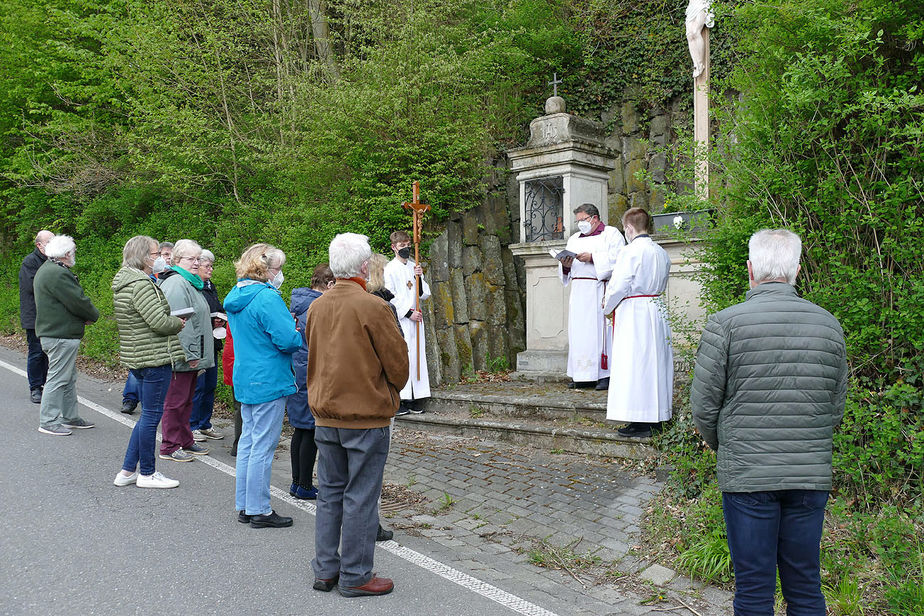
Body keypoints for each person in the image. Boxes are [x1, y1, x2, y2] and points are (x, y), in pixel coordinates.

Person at [691, 229, 848, 615]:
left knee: (753, 590)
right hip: (808, 475)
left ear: (750, 270)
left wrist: (724, 444)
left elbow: (703, 408)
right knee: (806, 586)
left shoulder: (725, 324)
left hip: (748, 476)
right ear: (796, 270)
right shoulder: (828, 325)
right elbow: (835, 408)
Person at [307, 233, 409, 597]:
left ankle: (326, 570)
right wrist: (391, 393)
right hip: (365, 415)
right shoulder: (373, 307)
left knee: (330, 493)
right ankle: (355, 574)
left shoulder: (317, 306)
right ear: (365, 267)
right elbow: (398, 365)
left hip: (325, 412)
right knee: (361, 496)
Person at [224, 244, 302, 529]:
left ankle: (245, 503)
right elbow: (287, 341)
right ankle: (259, 509)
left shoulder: (236, 295)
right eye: (278, 269)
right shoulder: (267, 298)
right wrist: (295, 331)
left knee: (248, 441)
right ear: (266, 269)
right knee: (263, 446)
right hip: (269, 376)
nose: (280, 274)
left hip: (245, 374)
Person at [111, 236, 186, 489]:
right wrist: (178, 323)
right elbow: (160, 322)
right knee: (152, 416)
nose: (160, 259)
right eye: (156, 254)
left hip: (138, 356)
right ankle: (148, 473)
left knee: (146, 417)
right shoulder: (141, 284)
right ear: (144, 257)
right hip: (153, 357)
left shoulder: (125, 282)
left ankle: (128, 470)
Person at [602, 208, 673, 438]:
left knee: (636, 364)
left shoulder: (629, 252)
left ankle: (640, 417)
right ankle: (656, 415)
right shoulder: (661, 252)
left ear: (629, 228)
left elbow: (619, 285)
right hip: (656, 308)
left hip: (635, 313)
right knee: (655, 363)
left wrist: (607, 306)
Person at [33, 235, 99, 435]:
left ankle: (70, 417)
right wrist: (92, 316)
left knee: (68, 377)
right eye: (73, 252)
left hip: (57, 332)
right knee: (58, 378)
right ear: (66, 254)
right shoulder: (57, 274)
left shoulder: (47, 270)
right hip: (60, 334)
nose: (74, 255)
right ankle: (48, 421)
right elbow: (77, 301)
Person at [558, 203, 626, 390]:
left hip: (599, 289)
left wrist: (593, 258)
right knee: (580, 333)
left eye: (583, 220)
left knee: (600, 333)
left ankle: (605, 375)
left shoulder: (611, 234)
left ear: (594, 218)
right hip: (579, 290)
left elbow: (619, 259)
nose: (580, 224)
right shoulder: (574, 239)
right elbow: (566, 271)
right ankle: (582, 375)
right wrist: (566, 264)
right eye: (578, 220)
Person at [158, 239, 213, 462]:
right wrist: (190, 354)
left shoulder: (190, 282)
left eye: (198, 259)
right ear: (177, 260)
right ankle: (169, 446)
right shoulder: (177, 283)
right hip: (183, 353)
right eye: (191, 259)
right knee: (176, 400)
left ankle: (185, 439)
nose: (196, 263)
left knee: (187, 400)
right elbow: (181, 323)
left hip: (192, 352)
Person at [287, 263, 335, 501]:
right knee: (309, 430)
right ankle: (304, 483)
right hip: (310, 373)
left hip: (297, 371)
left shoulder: (299, 303)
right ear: (329, 284)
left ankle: (297, 482)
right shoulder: (316, 307)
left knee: (300, 429)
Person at [384, 230, 430, 415]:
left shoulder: (414, 266)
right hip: (401, 320)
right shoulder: (389, 269)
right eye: (402, 246)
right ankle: (401, 398)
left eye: (408, 245)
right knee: (403, 357)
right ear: (394, 247)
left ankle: (417, 396)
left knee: (417, 355)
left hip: (416, 320)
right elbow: (389, 296)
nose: (406, 248)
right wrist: (408, 312)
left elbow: (424, 293)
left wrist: (419, 277)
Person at [190, 249, 224, 442]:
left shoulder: (210, 286)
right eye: (207, 266)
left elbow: (217, 308)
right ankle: (192, 425)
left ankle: (205, 423)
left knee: (210, 384)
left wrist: (220, 319)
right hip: (199, 342)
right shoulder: (194, 287)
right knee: (198, 386)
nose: (210, 269)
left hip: (213, 340)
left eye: (212, 266)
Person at [19, 230, 54, 404]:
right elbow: (32, 287)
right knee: (36, 352)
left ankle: (47, 384)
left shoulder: (55, 260)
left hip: (51, 316)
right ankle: (35, 387)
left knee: (49, 351)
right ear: (39, 245)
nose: (52, 244)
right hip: (34, 315)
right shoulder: (30, 262)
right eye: (49, 241)